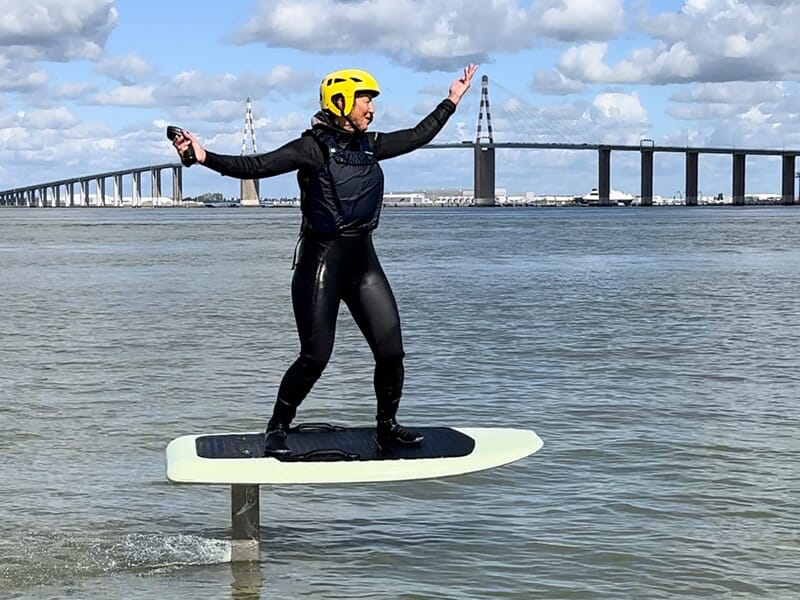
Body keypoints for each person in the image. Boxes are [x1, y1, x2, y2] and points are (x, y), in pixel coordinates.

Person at [172, 64, 478, 456]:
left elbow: (418, 136)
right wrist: (203, 156)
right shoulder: (311, 149)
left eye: (371, 100)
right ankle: (277, 428)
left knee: (391, 352)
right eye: (365, 99)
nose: (371, 108)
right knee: (315, 356)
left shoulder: (372, 145)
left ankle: (387, 428)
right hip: (322, 263)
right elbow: (256, 166)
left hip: (364, 261)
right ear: (340, 102)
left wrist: (451, 100)